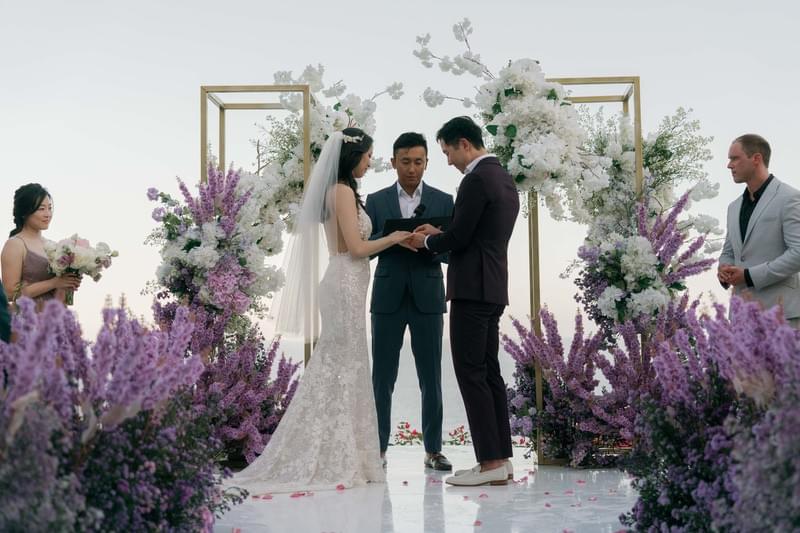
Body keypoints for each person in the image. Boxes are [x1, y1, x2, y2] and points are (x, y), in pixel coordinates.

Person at [230, 128, 413, 493]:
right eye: (367, 156)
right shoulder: (341, 192)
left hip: (349, 283)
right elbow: (357, 248)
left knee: (348, 364)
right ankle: (333, 454)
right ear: (352, 156)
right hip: (344, 281)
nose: (370, 162)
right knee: (342, 364)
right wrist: (395, 238)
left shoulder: (344, 191)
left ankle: (347, 452)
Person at [410, 116, 520, 486]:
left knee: (470, 373)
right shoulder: (503, 177)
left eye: (447, 152)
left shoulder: (475, 179)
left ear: (464, 144)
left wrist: (425, 241)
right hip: (494, 286)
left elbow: (459, 237)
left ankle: (488, 463)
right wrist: (443, 232)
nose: (447, 160)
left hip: (472, 288)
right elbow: (477, 233)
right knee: (489, 374)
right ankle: (502, 461)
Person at [365, 132, 454, 471]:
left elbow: (454, 251)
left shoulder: (445, 200)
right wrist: (394, 239)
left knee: (431, 377)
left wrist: (431, 241)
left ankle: (434, 450)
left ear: (427, 163)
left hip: (428, 296)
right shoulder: (375, 200)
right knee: (382, 377)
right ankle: (378, 449)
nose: (412, 168)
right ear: (393, 163)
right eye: (405, 162)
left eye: (418, 162)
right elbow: (366, 246)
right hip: (387, 296)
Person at [718, 134, 800, 327]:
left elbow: (798, 253)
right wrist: (724, 268)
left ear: (756, 159)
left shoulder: (790, 198)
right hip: (742, 319)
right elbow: (729, 251)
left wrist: (748, 276)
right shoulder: (733, 207)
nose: (729, 165)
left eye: (734, 158)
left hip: (782, 316)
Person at [1, 183, 80, 309]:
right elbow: (10, 293)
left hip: (54, 318)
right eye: (41, 209)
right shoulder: (15, 244)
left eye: (49, 208)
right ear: (24, 213)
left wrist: (69, 282)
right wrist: (53, 283)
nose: (47, 214)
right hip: (27, 320)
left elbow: (59, 292)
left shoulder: (53, 246)